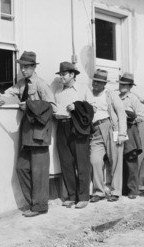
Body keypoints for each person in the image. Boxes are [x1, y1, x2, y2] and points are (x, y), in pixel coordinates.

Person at [0, 51, 56, 217]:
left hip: (39, 132)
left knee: (39, 172)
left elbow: (52, 106)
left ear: (33, 67)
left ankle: (40, 206)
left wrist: (30, 105)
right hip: (26, 132)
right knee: (21, 168)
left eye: (26, 67)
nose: (23, 70)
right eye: (21, 67)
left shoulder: (42, 84)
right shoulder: (22, 84)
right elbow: (9, 93)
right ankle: (34, 203)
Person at [53, 61, 93, 209]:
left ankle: (83, 197)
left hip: (77, 128)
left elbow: (91, 108)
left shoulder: (83, 89)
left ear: (72, 75)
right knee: (66, 162)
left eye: (63, 75)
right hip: (61, 126)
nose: (61, 77)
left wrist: (76, 107)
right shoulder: (58, 91)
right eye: (60, 75)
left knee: (81, 162)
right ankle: (72, 196)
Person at [85, 69, 127, 203]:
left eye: (99, 82)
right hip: (95, 130)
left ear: (104, 84)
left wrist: (121, 133)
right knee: (94, 160)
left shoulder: (111, 95)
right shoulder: (88, 94)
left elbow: (121, 114)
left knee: (115, 160)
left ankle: (115, 191)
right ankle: (99, 191)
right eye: (94, 81)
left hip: (110, 127)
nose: (95, 84)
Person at [117, 72, 144, 199]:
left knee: (130, 160)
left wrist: (130, 118)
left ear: (130, 86)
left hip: (129, 130)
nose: (122, 86)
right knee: (119, 159)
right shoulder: (115, 96)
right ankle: (122, 189)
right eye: (121, 83)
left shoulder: (133, 99)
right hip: (117, 130)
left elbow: (140, 117)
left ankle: (133, 190)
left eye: (125, 84)